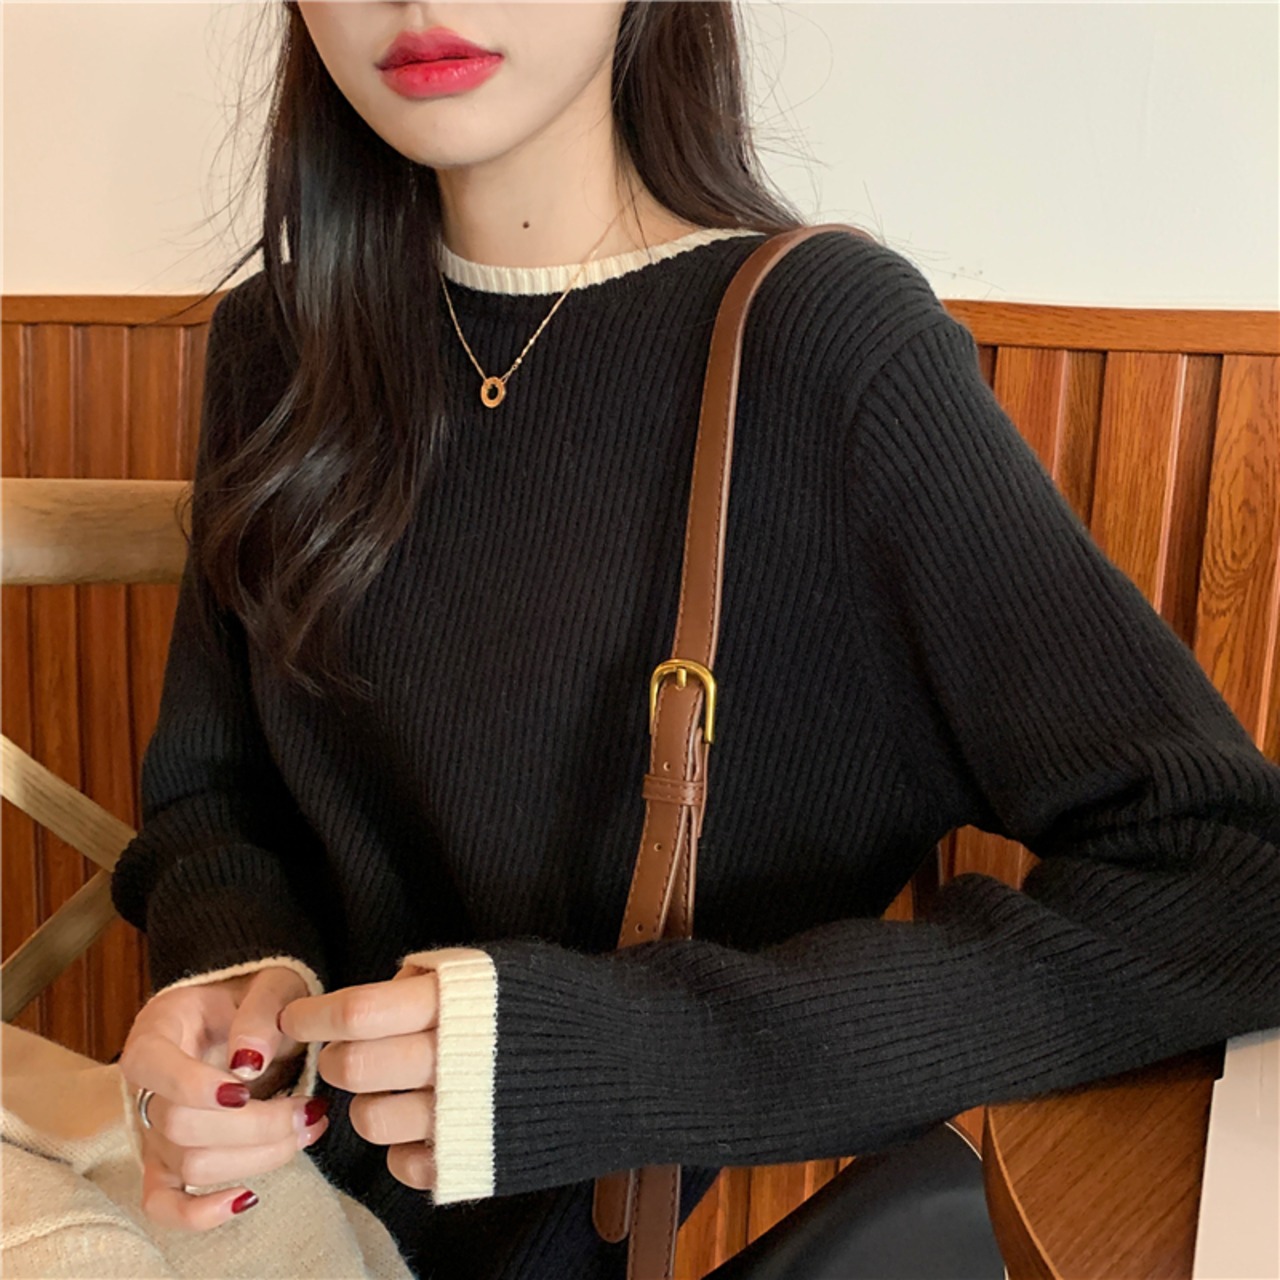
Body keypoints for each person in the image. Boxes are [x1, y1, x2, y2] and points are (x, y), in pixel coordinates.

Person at [110, 3, 1280, 1279]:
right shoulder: (277, 343)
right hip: (233, 1220)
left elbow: (1234, 882)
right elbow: (213, 793)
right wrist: (229, 979)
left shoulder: (821, 352)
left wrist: (608, 1058)